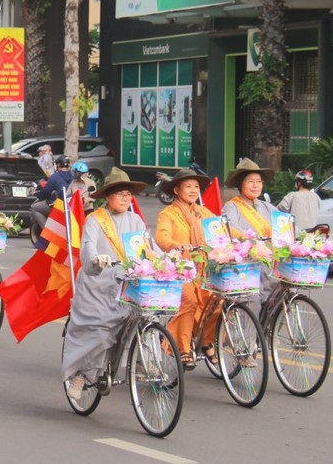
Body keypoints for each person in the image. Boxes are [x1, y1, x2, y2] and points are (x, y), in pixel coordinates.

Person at [63, 168, 147, 401]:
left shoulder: (136, 220)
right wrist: (95, 260)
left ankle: (143, 360)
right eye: (119, 194)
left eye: (128, 194)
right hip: (98, 284)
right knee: (99, 333)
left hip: (128, 282)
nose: (124, 198)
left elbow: (148, 248)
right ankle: (81, 374)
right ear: (107, 196)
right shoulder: (95, 219)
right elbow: (88, 246)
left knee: (152, 315)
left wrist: (168, 262)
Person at [155, 168, 218, 370]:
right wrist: (177, 245)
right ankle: (183, 348)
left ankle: (206, 340)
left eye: (196, 187)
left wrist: (242, 237)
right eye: (188, 186)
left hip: (203, 267)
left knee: (219, 299)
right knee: (189, 300)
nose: (193, 190)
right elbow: (162, 237)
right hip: (180, 269)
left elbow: (218, 226)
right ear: (176, 190)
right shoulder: (168, 214)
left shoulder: (201, 212)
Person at [222, 158, 278, 307]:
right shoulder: (232, 206)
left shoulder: (267, 207)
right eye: (250, 181)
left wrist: (306, 235)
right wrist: (252, 241)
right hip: (248, 267)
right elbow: (231, 226)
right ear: (241, 184)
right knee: (253, 304)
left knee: (275, 301)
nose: (255, 185)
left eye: (259, 181)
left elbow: (283, 222)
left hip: (270, 266)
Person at [31, 155, 73, 231]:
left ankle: (48, 233)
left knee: (34, 208)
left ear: (58, 165)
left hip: (60, 206)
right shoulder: (73, 176)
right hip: (72, 205)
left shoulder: (55, 177)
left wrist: (36, 194)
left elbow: (46, 193)